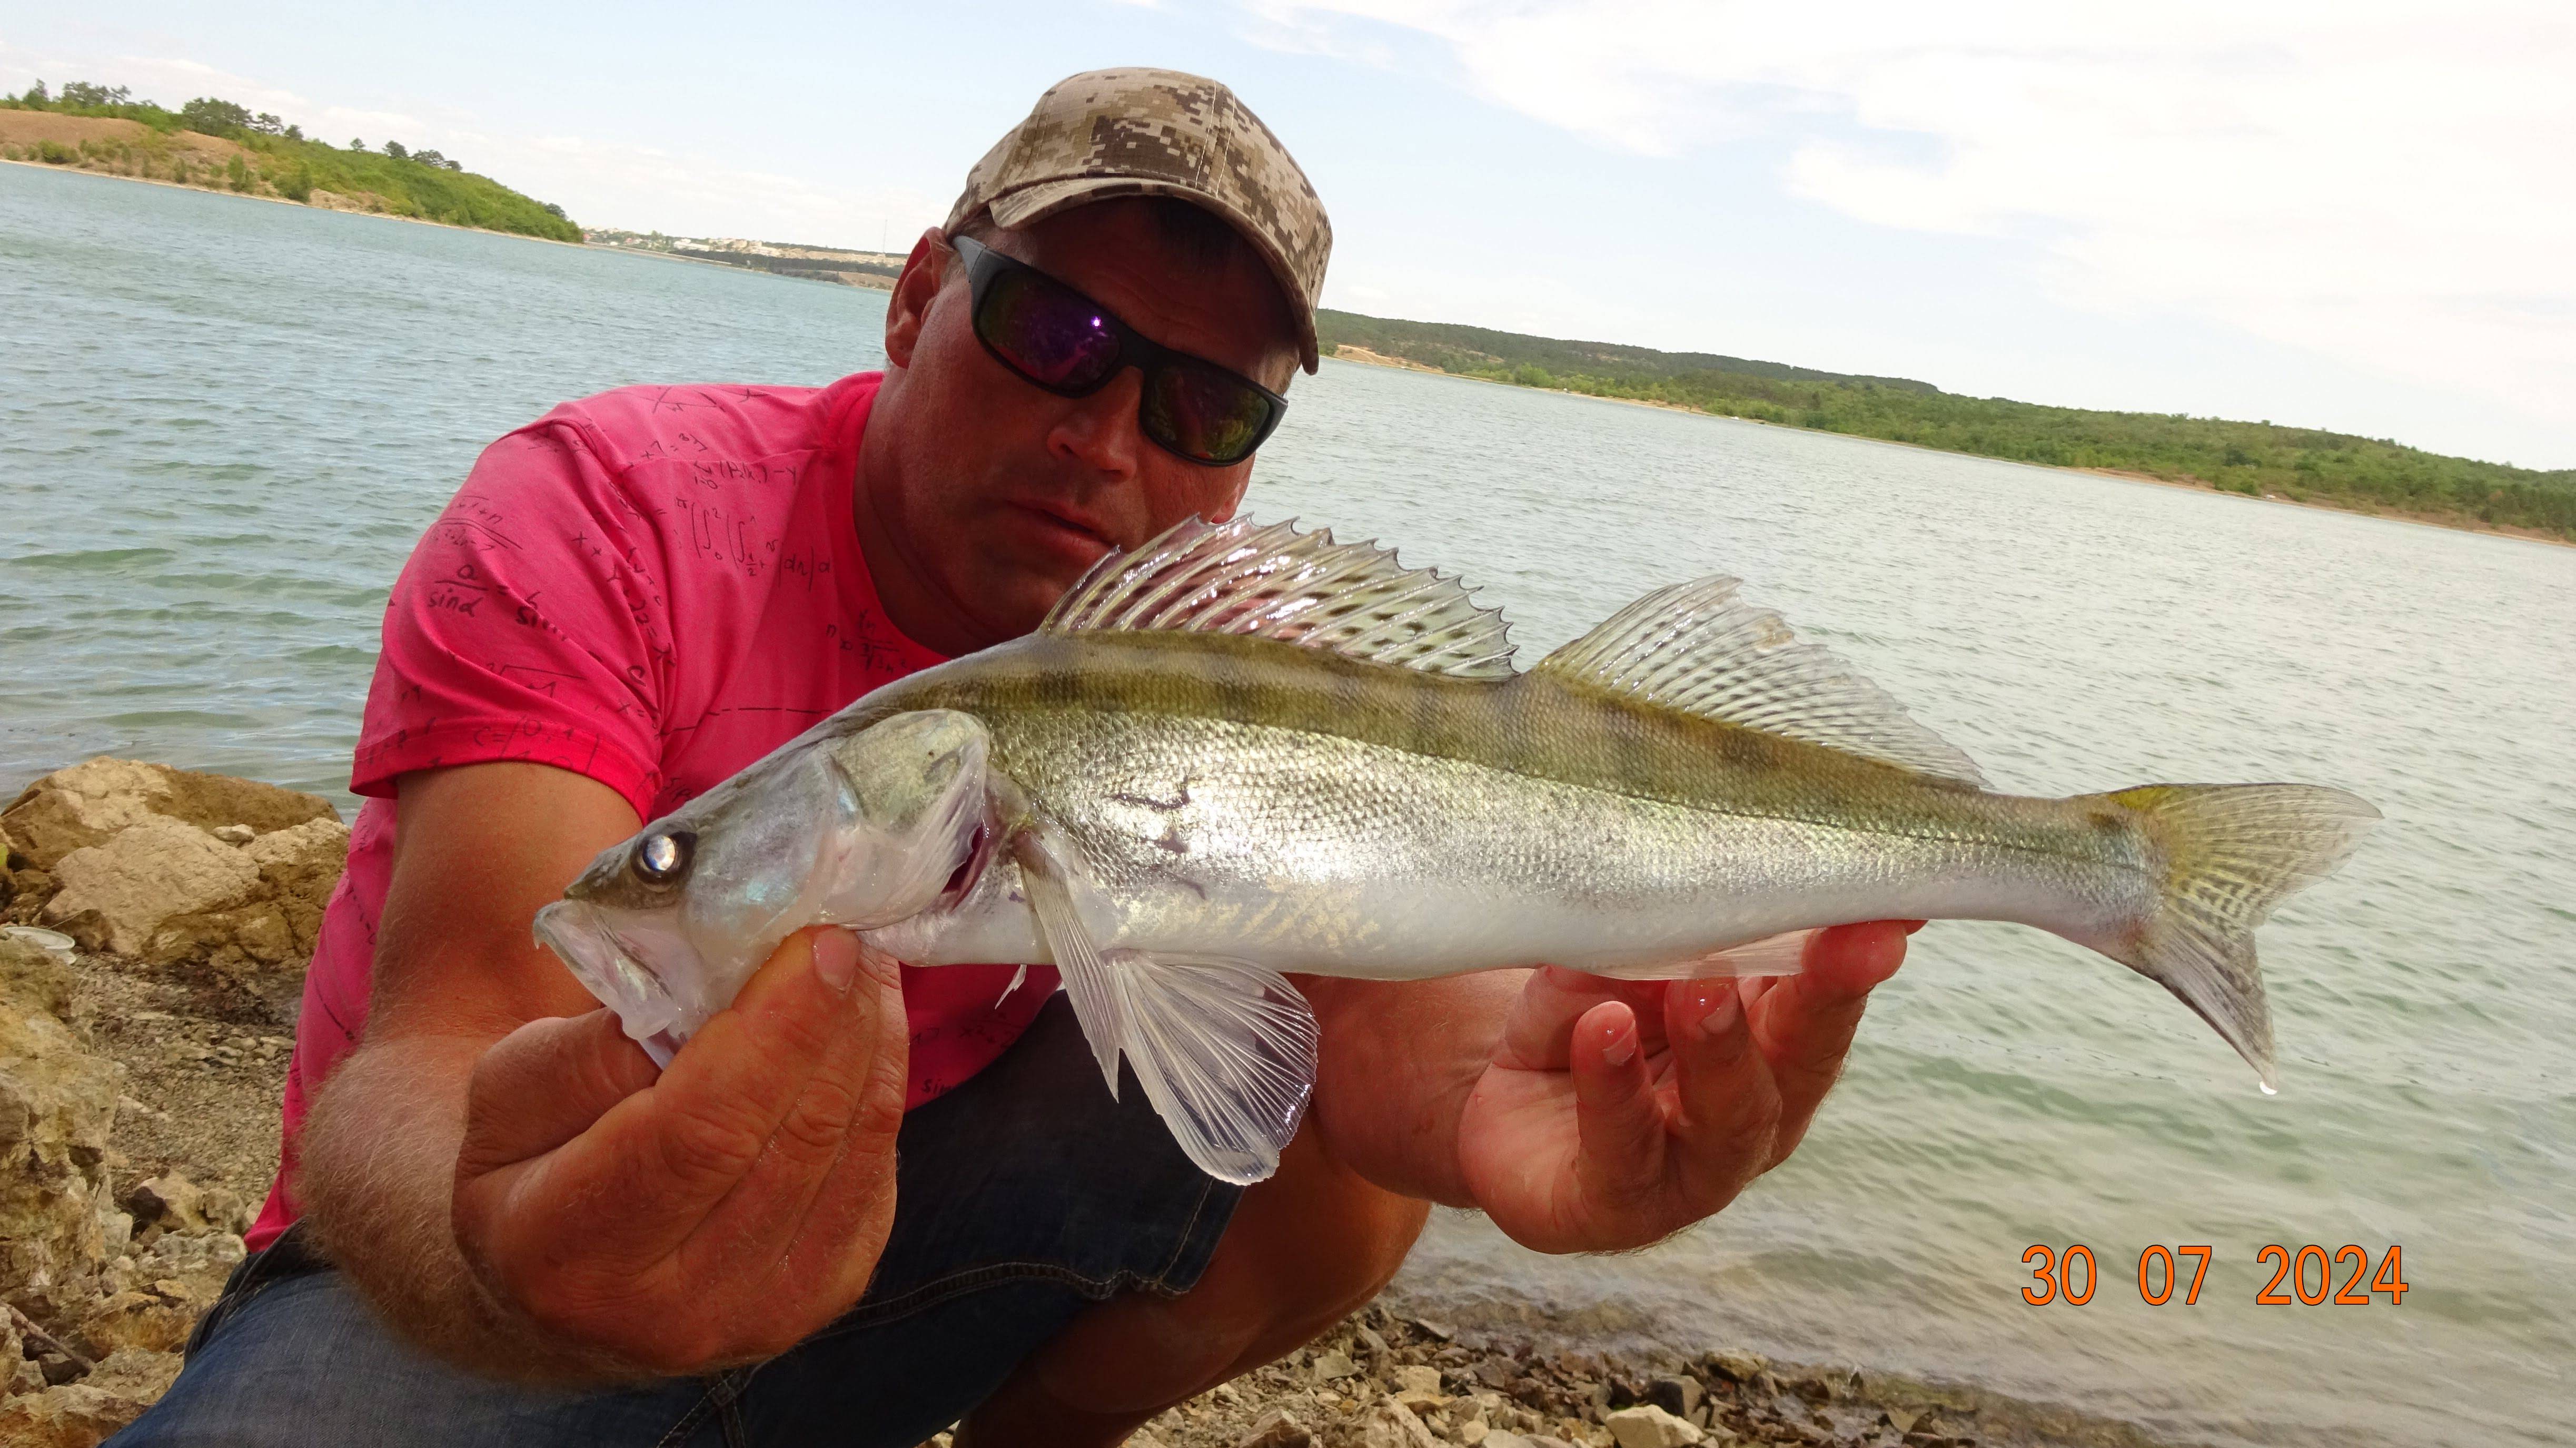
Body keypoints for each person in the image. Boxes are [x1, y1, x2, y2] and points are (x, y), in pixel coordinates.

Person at [112, 68, 1916, 1447]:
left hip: (906, 1223)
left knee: (1334, 1159)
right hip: (495, 1269)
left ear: (1249, 453)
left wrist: (1504, 1116)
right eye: (1056, 334)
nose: (1108, 434)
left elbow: (1375, 1016)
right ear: (913, 300)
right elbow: (462, 1026)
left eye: (1203, 404)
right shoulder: (609, 507)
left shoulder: (1228, 666)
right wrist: (502, 1242)